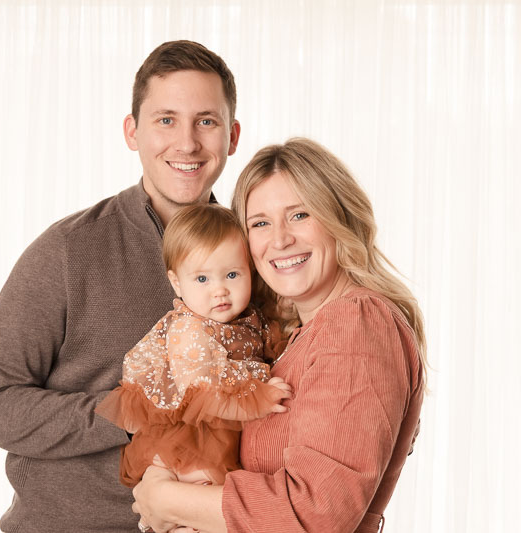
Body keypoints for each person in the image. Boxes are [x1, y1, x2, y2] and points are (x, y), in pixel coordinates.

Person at [0, 40, 241, 533]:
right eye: (166, 119)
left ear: (232, 135)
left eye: (207, 121)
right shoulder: (68, 250)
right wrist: (129, 411)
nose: (187, 143)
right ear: (132, 132)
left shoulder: (256, 255)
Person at [130, 137, 427, 533]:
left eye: (300, 215)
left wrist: (169, 500)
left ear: (340, 218)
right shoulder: (296, 336)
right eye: (260, 223)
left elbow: (318, 511)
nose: (280, 239)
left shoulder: (356, 322)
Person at [94, 204, 292, 490]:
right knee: (199, 487)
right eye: (202, 279)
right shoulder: (189, 329)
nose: (219, 290)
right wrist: (261, 401)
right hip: (193, 437)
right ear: (176, 283)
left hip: (227, 432)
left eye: (232, 275)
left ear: (251, 270)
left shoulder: (250, 317)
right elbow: (205, 397)